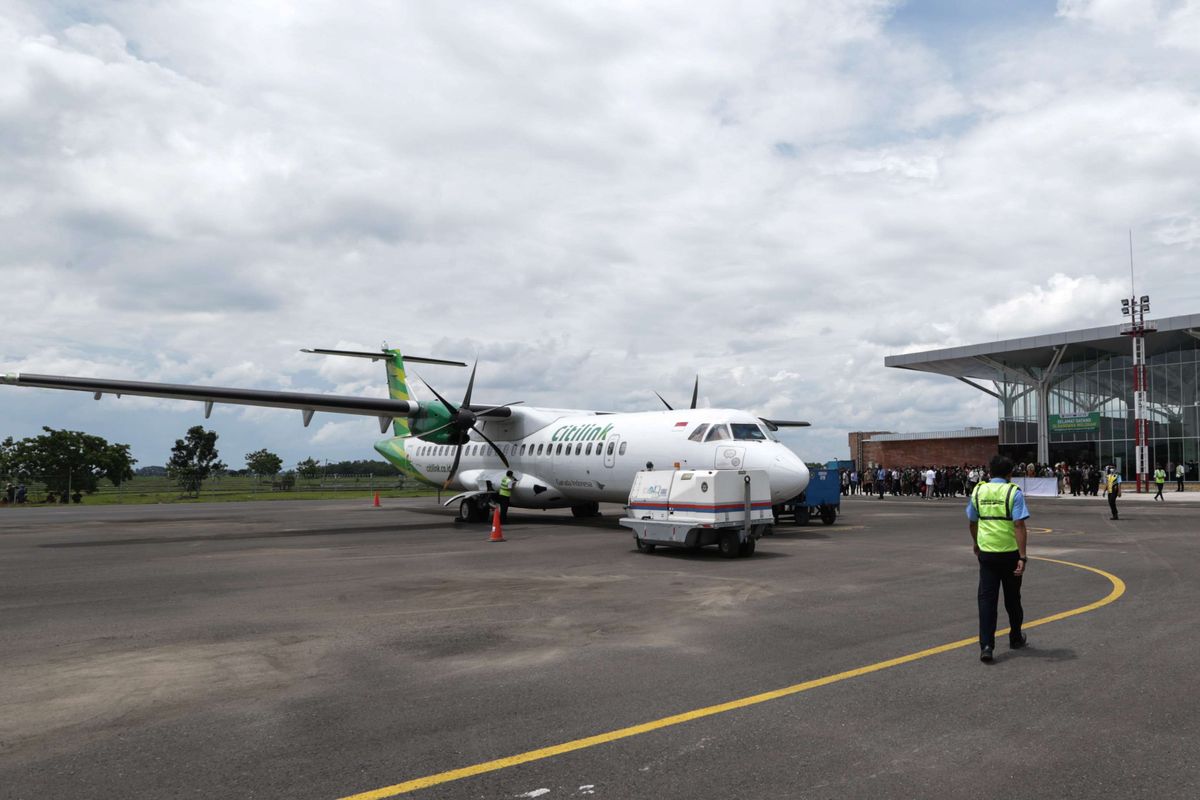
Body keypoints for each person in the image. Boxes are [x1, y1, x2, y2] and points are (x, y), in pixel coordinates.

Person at [967, 454, 1029, 663]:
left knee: (986, 601)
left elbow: (972, 521)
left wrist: (976, 543)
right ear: (1010, 473)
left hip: (987, 554)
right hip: (1010, 553)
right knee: (1013, 599)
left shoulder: (978, 490)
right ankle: (1015, 637)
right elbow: (1019, 525)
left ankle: (986, 645)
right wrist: (1023, 556)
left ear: (989, 472)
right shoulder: (1014, 492)